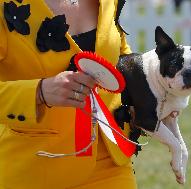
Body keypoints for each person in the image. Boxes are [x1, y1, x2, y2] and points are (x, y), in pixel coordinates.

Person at [0, 0, 137, 188]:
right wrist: (39, 91)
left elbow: (118, 53)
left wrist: (145, 92)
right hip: (36, 167)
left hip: (111, 163)